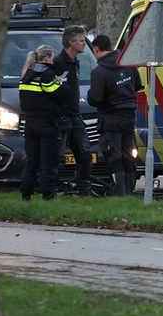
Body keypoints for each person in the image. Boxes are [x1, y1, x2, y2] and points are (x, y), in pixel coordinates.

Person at [88, 34, 144, 196]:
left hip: (111, 117)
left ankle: (119, 193)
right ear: (111, 47)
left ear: (96, 49)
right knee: (128, 153)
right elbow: (138, 85)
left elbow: (96, 98)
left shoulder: (99, 72)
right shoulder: (127, 63)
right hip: (129, 116)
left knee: (113, 154)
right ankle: (129, 190)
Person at [19, 45, 69, 201]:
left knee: (32, 161)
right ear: (47, 58)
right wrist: (62, 82)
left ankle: (26, 194)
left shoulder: (26, 74)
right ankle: (47, 194)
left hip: (30, 124)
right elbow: (62, 95)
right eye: (52, 58)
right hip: (47, 124)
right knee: (49, 161)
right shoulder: (47, 75)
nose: (53, 60)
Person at [53, 25, 93, 196]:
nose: (85, 44)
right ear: (71, 42)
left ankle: (84, 189)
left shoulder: (75, 63)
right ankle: (53, 190)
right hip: (61, 117)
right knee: (58, 157)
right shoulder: (58, 64)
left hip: (76, 116)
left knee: (85, 153)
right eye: (82, 40)